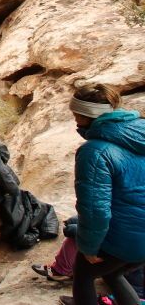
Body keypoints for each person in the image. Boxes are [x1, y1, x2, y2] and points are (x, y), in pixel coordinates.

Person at [59, 84, 145, 305]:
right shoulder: (140, 131)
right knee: (113, 273)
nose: (74, 119)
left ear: (85, 115)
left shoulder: (94, 151)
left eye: (75, 114)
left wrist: (89, 247)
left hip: (125, 237)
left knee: (83, 275)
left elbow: (95, 209)